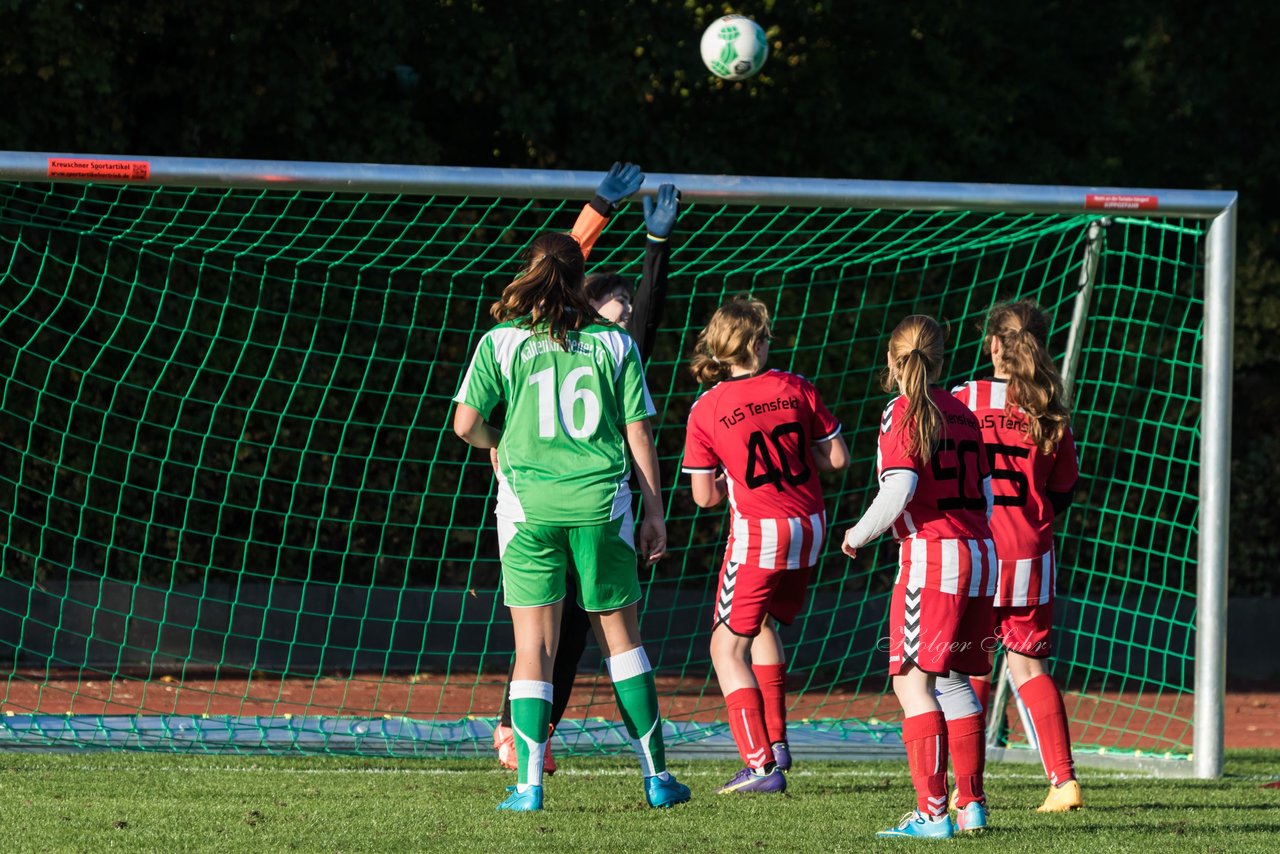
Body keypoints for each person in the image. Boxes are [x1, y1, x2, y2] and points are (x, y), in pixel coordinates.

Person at [453, 169, 690, 812]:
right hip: (599, 507)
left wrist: (498, 439)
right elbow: (640, 436)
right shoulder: (614, 343)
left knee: (534, 646)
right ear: (583, 282)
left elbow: (465, 426)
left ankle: (527, 786)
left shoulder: (500, 341)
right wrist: (655, 512)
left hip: (527, 511)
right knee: (624, 641)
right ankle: (656, 777)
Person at [682, 296, 849, 795]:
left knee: (724, 647)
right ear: (755, 341)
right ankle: (776, 744)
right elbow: (837, 458)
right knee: (763, 626)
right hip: (811, 526)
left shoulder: (707, 407)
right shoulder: (796, 386)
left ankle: (759, 765)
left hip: (760, 533)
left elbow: (705, 497)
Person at [841, 315, 996, 840]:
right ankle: (971, 806)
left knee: (912, 681)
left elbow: (901, 487)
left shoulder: (902, 410)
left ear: (892, 359)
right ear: (940, 358)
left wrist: (858, 533)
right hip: (981, 553)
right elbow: (989, 496)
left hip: (935, 558)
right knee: (952, 679)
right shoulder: (964, 412)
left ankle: (932, 815)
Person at [951, 299, 1082, 812]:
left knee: (970, 669)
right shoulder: (1050, 408)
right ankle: (1063, 780)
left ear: (995, 345)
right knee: (1030, 669)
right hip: (1030, 550)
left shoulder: (962, 399)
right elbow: (1064, 492)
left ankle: (968, 791)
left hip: (978, 550)